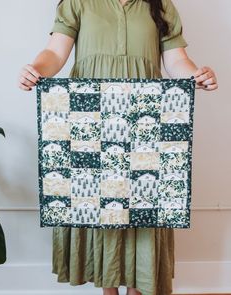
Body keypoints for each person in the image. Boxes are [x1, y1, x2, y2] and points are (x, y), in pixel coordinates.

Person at [18, 0, 218, 294]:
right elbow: (55, 52)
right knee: (98, 203)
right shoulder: (78, 2)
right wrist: (35, 69)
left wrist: (195, 75)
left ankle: (138, 288)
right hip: (89, 120)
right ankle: (108, 290)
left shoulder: (160, 4)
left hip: (146, 122)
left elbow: (176, 60)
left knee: (145, 205)